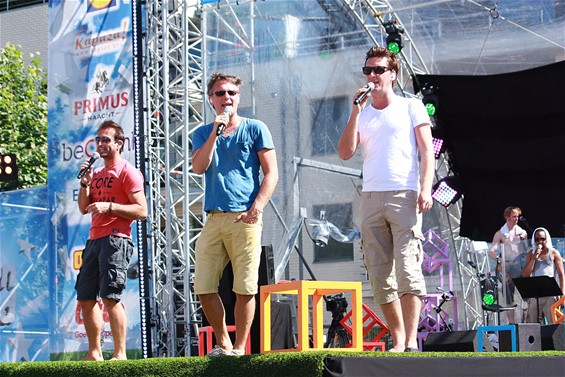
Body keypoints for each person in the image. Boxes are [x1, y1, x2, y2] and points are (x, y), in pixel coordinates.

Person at [337, 46, 434, 352]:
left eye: (379, 70)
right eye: (368, 70)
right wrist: (355, 111)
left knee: (407, 268)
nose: (372, 76)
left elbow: (427, 151)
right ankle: (398, 336)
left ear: (393, 74)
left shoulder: (411, 106)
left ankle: (409, 340)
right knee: (380, 273)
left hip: (404, 193)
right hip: (371, 197)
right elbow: (344, 152)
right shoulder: (362, 113)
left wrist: (425, 188)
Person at [192, 73, 278, 356]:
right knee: (203, 286)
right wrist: (215, 133)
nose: (226, 97)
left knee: (245, 287)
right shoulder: (203, 133)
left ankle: (240, 347)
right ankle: (223, 342)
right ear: (211, 99)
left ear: (239, 97)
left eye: (231, 92)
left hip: (245, 216)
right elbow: (199, 167)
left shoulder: (255, 128)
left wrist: (258, 207)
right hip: (214, 217)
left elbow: (271, 172)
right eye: (219, 93)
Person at [76, 120, 148, 361]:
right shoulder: (96, 173)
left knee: (110, 296)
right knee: (86, 298)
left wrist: (110, 206)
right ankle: (94, 352)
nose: (100, 144)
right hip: (94, 239)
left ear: (119, 143)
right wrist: (84, 183)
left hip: (116, 239)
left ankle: (120, 354)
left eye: (105, 139)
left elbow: (142, 211)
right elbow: (83, 208)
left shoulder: (127, 171)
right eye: (98, 140)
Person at [487, 206, 528, 324]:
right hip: (507, 268)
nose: (516, 219)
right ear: (507, 217)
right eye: (514, 216)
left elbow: (526, 250)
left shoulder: (522, 233)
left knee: (524, 296)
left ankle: (524, 322)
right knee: (508, 296)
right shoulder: (500, 234)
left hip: (519, 267)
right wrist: (500, 259)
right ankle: (511, 322)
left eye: (517, 217)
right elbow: (491, 251)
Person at [522, 227, 564, 323]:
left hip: (551, 294)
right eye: (537, 239)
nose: (540, 242)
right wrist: (533, 258)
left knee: (554, 323)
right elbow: (525, 274)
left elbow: (561, 275)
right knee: (532, 323)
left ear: (546, 239)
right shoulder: (530, 254)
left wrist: (562, 294)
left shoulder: (553, 253)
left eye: (542, 239)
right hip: (536, 294)